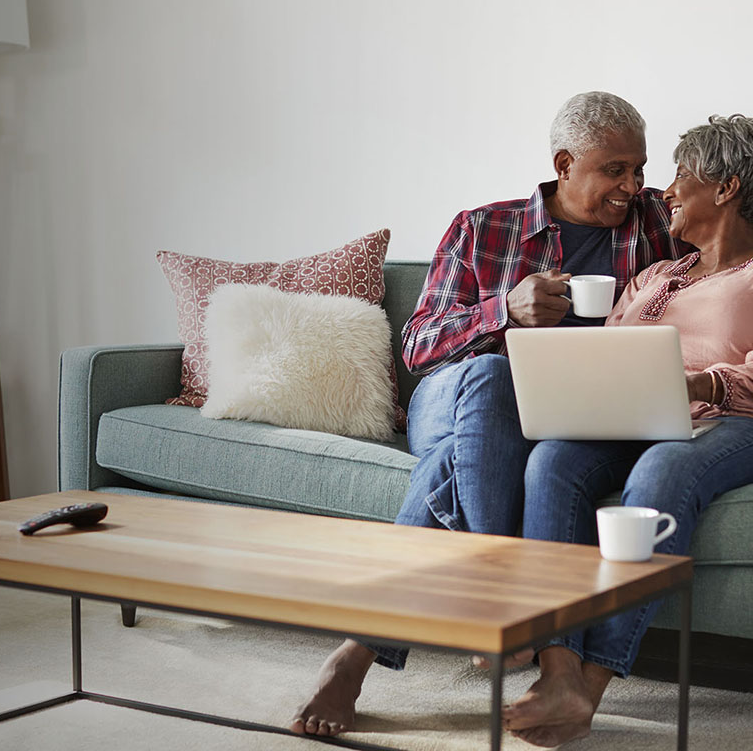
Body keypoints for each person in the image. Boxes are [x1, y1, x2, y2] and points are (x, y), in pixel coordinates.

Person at [289, 91, 689, 738]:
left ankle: (354, 656)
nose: (632, 185)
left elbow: (726, 228)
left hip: (567, 417)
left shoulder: (653, 223)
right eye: (614, 170)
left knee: (454, 464)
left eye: (639, 169)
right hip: (456, 398)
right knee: (492, 372)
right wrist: (504, 311)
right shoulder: (485, 228)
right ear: (564, 163)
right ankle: (507, 600)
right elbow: (418, 346)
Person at [504, 113, 753, 747]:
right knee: (553, 459)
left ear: (726, 188)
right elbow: (611, 356)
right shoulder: (654, 275)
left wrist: (700, 384)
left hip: (728, 419)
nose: (662, 191)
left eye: (679, 177)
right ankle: (557, 666)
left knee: (662, 468)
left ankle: (590, 685)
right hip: (634, 415)